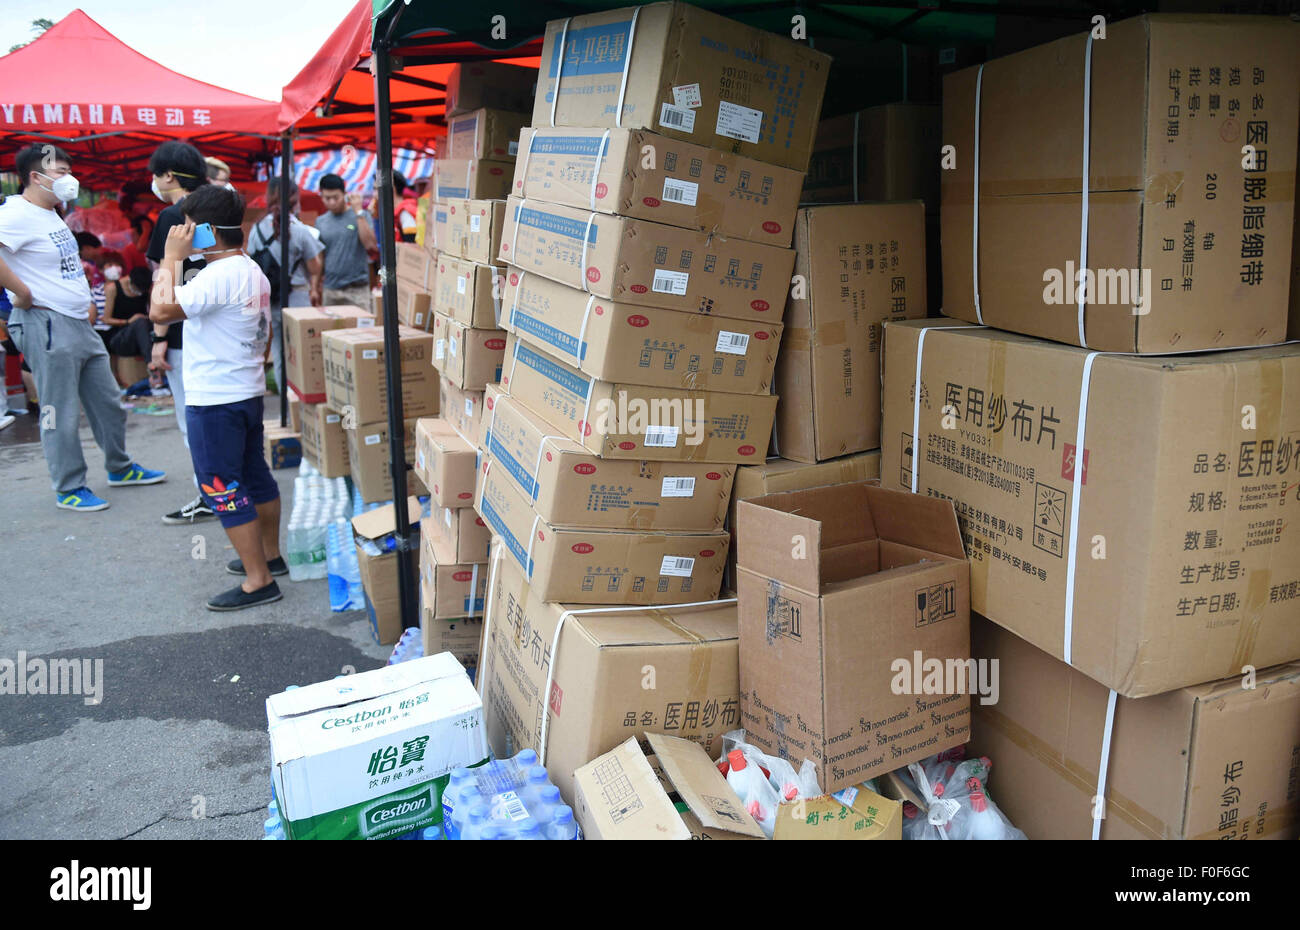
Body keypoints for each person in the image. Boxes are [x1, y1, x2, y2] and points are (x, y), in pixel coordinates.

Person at [0, 144, 165, 510]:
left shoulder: (50, 213)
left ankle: (119, 467)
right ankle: (69, 487)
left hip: (77, 322)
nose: (68, 179)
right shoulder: (15, 214)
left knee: (107, 400)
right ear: (34, 177)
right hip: (45, 322)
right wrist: (21, 292)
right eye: (59, 172)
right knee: (59, 410)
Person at [149, 184, 283, 610]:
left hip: (215, 398)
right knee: (253, 474)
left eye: (187, 226)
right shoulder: (249, 269)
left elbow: (160, 311)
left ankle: (258, 581)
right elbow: (266, 335)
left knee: (220, 485)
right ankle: (270, 558)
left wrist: (171, 259)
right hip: (244, 391)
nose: (182, 232)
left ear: (205, 231)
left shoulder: (218, 275)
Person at [146, 141, 216, 525]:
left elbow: (165, 278)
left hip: (181, 326)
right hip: (216, 323)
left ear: (168, 175)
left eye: (156, 174)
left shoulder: (172, 215)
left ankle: (210, 492)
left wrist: (158, 337)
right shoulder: (216, 208)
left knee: (191, 417)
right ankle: (224, 486)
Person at [247, 177, 324, 395]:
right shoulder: (299, 230)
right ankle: (303, 400)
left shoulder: (257, 230)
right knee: (302, 352)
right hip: (298, 299)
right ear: (294, 198)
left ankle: (287, 403)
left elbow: (252, 264)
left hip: (270, 301)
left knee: (279, 353)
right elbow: (315, 267)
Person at [315, 173, 375, 310]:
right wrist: (315, 286)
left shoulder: (361, 216)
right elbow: (320, 256)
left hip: (358, 291)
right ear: (321, 196)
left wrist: (359, 211)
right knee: (330, 331)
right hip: (330, 290)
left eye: (335, 197)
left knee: (362, 331)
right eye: (327, 198)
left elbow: (370, 244)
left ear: (345, 194)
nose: (331, 202)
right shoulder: (320, 222)